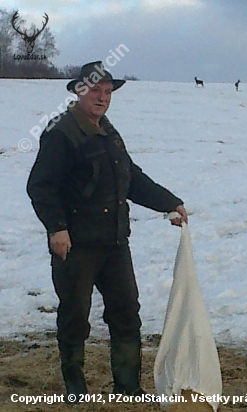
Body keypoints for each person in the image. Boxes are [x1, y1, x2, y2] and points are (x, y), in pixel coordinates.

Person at [26, 61, 188, 400]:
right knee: (75, 317)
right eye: (95, 90)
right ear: (78, 91)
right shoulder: (62, 133)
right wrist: (57, 229)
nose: (102, 97)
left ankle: (128, 387)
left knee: (126, 312)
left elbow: (131, 179)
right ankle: (75, 388)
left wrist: (170, 203)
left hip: (114, 241)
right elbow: (41, 186)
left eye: (107, 91)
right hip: (75, 245)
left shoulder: (108, 131)